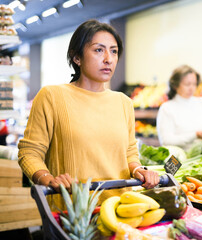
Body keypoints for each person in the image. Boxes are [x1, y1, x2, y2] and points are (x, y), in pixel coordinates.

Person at [18, 19, 159, 209]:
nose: (108, 58)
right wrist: (47, 178)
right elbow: (29, 152)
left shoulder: (123, 102)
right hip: (73, 212)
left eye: (114, 51)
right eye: (99, 50)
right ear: (77, 57)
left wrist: (139, 170)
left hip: (120, 209)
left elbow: (129, 152)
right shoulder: (51, 96)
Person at [156, 65, 202, 150]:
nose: (191, 88)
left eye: (194, 84)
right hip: (183, 159)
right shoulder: (167, 108)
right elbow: (166, 141)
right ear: (175, 85)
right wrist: (195, 135)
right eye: (187, 84)